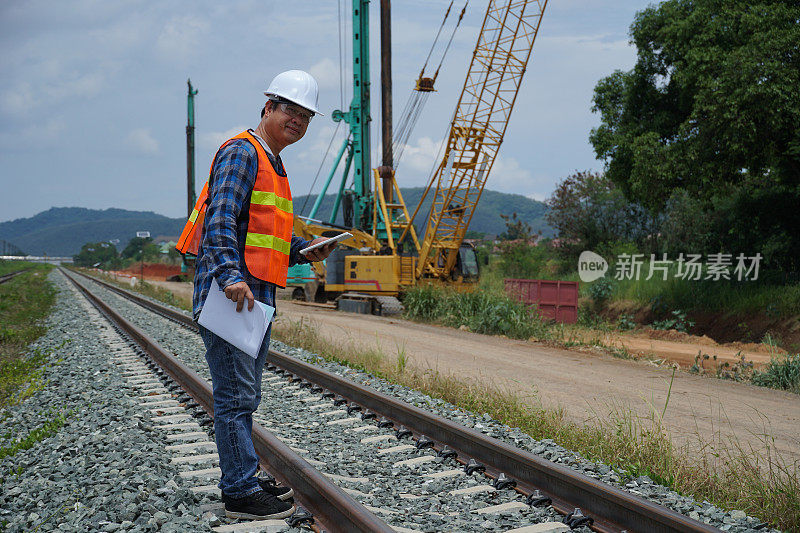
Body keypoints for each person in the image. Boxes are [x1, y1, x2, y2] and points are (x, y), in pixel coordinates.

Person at [186, 70, 337, 520]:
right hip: (231, 297)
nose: (298, 121)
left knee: (244, 396)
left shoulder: (273, 162)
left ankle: (244, 474)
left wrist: (304, 250)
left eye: (306, 116)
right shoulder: (242, 152)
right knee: (234, 397)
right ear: (268, 108)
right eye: (291, 110)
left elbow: (260, 236)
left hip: (255, 298)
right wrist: (230, 276)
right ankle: (239, 491)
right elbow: (220, 221)